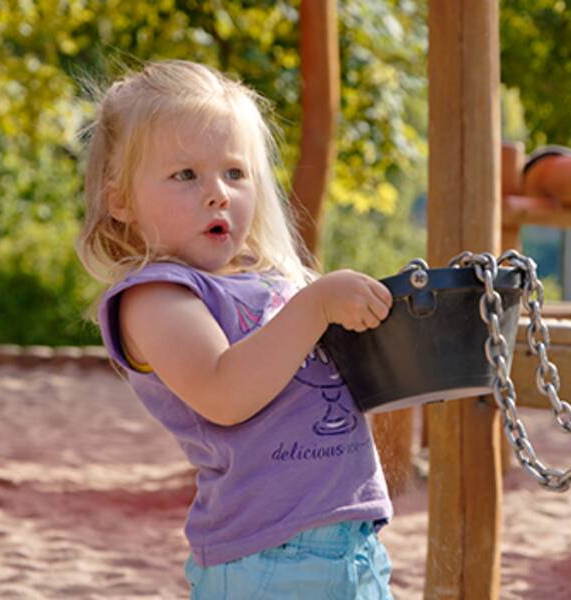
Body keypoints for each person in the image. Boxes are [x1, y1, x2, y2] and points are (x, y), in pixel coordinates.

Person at [77, 59, 394, 599]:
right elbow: (224, 393)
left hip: (353, 546)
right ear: (120, 200)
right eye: (186, 175)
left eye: (235, 172)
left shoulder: (271, 284)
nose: (218, 193)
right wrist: (317, 305)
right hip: (267, 557)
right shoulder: (156, 297)